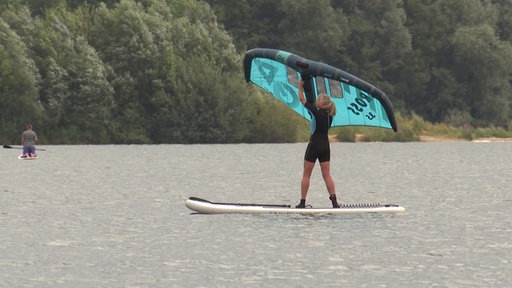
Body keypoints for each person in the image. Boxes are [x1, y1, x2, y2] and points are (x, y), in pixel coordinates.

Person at [296, 79, 340, 208]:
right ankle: (335, 203)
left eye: (318, 100)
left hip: (314, 145)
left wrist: (300, 87)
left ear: (321, 103)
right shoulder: (330, 115)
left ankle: (302, 202)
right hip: (325, 146)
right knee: (327, 175)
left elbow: (302, 100)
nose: (316, 101)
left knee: (306, 174)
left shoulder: (315, 111)